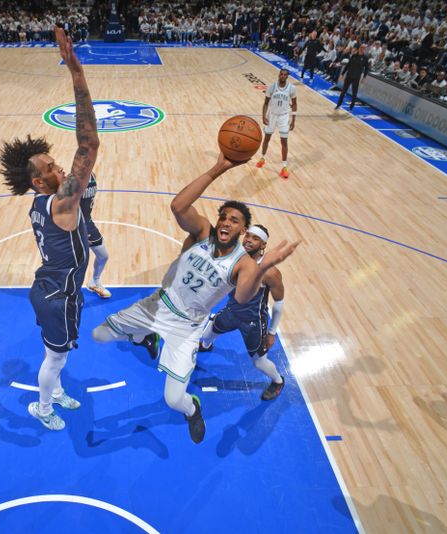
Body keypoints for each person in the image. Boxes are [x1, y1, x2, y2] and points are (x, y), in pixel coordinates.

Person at [91, 154, 299, 444]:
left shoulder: (244, 264)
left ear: (243, 230)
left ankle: (192, 409)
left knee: (173, 400)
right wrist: (219, 168)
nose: (226, 222)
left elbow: (242, 296)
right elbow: (178, 205)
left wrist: (264, 266)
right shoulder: (202, 232)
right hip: (157, 305)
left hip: (187, 326)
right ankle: (145, 338)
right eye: (223, 217)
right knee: (99, 335)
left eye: (234, 220)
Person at [0, 27, 99, 431]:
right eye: (51, 167)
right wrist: (76, 72)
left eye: (56, 162)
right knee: (55, 357)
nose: (60, 167)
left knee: (59, 354)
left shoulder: (39, 201)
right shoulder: (61, 202)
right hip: (56, 294)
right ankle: (42, 406)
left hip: (56, 287)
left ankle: (54, 390)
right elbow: (89, 145)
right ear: (40, 182)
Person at [198, 224, 286, 401]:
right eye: (248, 236)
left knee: (259, 362)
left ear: (263, 245)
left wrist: (271, 333)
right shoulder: (234, 258)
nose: (249, 240)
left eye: (255, 239)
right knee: (207, 333)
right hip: (232, 311)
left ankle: (277, 381)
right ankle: (206, 346)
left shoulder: (269, 272)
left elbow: (279, 302)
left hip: (252, 322)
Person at [256, 68, 297, 179]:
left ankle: (284, 167)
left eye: (285, 75)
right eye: (281, 74)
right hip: (272, 115)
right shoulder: (272, 87)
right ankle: (262, 158)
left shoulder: (292, 88)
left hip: (284, 117)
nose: (282, 76)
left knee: (284, 141)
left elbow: (294, 104)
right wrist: (263, 116)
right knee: (267, 138)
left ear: (287, 76)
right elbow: (265, 103)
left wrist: (293, 119)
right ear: (278, 75)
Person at [82, 174, 111, 298]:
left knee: (103, 255)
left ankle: (95, 282)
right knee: (75, 263)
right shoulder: (71, 181)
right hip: (74, 226)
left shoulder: (92, 175)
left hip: (87, 223)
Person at [335, 44, 369, 111]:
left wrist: (364, 77)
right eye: (361, 47)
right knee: (343, 92)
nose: (362, 49)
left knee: (354, 94)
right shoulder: (354, 55)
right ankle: (338, 105)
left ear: (365, 49)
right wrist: (342, 74)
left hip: (356, 78)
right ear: (359, 48)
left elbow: (367, 68)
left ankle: (351, 107)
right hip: (349, 76)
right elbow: (348, 65)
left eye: (364, 48)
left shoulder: (365, 58)